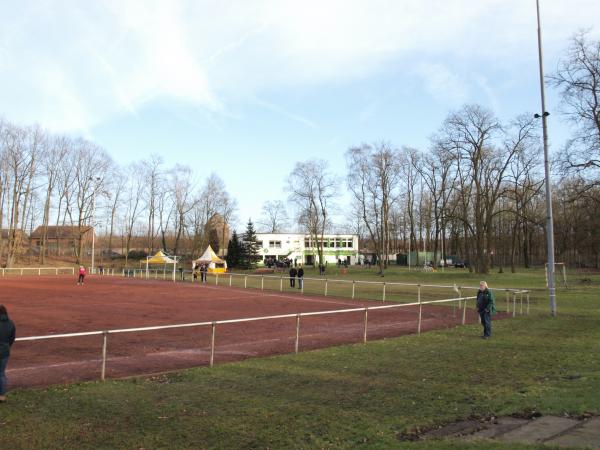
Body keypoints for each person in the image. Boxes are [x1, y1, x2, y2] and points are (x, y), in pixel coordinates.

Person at [0, 305, 16, 402]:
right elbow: (12, 338)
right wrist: (6, 347)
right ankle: (2, 395)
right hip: (5, 352)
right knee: (1, 373)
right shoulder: (11, 323)